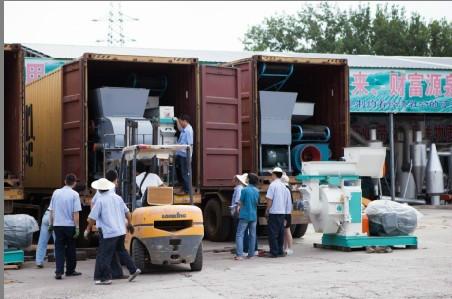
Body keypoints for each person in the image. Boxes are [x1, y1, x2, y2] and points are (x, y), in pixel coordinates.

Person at [85, 177, 141, 285]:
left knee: (105, 255)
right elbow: (127, 212)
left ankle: (106, 278)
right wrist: (129, 223)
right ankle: (133, 269)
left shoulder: (100, 200)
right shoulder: (118, 198)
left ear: (99, 190)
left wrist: (87, 229)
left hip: (109, 232)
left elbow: (92, 218)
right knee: (122, 251)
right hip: (120, 231)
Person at [90, 170, 127, 280]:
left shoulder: (109, 189)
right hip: (106, 226)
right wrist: (96, 218)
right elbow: (94, 203)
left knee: (111, 251)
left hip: (108, 226)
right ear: (116, 178)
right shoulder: (107, 190)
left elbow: (93, 203)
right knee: (104, 252)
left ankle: (117, 273)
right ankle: (99, 275)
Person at [48, 173, 82, 279]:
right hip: (69, 226)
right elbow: (76, 213)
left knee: (59, 248)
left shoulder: (56, 193)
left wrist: (50, 224)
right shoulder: (75, 195)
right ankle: (70, 270)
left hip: (57, 225)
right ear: (74, 183)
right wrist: (77, 228)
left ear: (64, 181)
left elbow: (51, 210)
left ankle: (59, 271)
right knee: (70, 248)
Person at [265, 167, 292, 258]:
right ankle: (280, 251)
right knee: (280, 232)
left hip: (274, 212)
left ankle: (274, 252)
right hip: (282, 212)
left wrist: (267, 210)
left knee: (272, 233)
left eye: (272, 174)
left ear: (274, 174)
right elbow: (287, 201)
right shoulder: (284, 186)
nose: (271, 176)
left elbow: (269, 199)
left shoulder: (272, 185)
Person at [235, 173, 259, 260]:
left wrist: (238, 208)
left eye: (247, 178)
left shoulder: (244, 190)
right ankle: (251, 254)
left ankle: (240, 255)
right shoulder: (257, 191)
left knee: (239, 234)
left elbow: (240, 202)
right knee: (252, 235)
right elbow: (257, 203)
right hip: (253, 215)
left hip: (245, 215)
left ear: (249, 180)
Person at [175, 114, 194, 195]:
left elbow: (190, 144)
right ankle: (183, 187)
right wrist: (176, 120)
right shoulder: (184, 129)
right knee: (180, 171)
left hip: (185, 155)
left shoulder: (189, 131)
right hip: (180, 154)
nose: (180, 123)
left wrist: (190, 156)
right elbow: (179, 128)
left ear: (185, 121)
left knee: (185, 173)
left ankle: (187, 190)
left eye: (181, 121)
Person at [281, 173, 294, 256]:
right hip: (288, 212)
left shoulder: (285, 189)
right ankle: (285, 248)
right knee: (286, 231)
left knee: (287, 231)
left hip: (285, 212)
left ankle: (289, 248)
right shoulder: (288, 188)